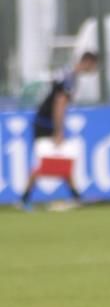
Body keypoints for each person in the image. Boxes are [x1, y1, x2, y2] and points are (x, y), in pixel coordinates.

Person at [17, 52, 100, 210]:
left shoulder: (66, 73)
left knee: (62, 160)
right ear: (87, 62)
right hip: (46, 124)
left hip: (45, 121)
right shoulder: (70, 78)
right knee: (45, 162)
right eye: (93, 66)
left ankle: (76, 196)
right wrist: (58, 131)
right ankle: (24, 199)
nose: (93, 70)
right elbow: (59, 103)